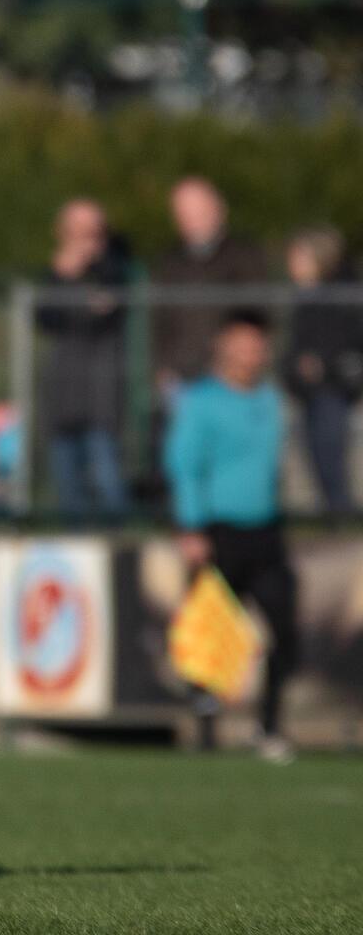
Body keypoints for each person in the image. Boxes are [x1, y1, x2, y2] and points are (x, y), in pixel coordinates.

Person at [164, 311, 298, 762]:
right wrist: (191, 526)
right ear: (223, 346)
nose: (249, 352)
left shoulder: (271, 400)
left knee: (284, 629)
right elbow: (185, 466)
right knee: (210, 634)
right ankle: (205, 732)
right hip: (218, 531)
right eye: (241, 342)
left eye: (257, 343)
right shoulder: (201, 401)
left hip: (266, 529)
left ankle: (269, 726)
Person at [37, 198, 131, 524]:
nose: (83, 239)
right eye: (75, 231)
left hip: (101, 394)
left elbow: (105, 313)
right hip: (65, 392)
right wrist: (61, 277)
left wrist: (86, 271)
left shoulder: (116, 268)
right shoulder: (55, 274)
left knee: (108, 480)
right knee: (68, 486)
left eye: (91, 231)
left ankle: (119, 548)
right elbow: (45, 318)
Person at [152, 176, 267, 393]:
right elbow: (158, 322)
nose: (192, 221)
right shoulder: (169, 264)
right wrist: (161, 367)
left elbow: (257, 315)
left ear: (219, 209)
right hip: (181, 377)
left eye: (199, 212)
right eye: (185, 214)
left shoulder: (246, 257)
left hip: (234, 378)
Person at [282, 227, 360, 518]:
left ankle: (342, 517)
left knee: (332, 458)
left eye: (299, 257)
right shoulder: (303, 298)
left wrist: (322, 364)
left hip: (333, 391)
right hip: (308, 391)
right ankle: (331, 516)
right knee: (313, 456)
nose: (292, 263)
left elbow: (347, 345)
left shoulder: (341, 298)